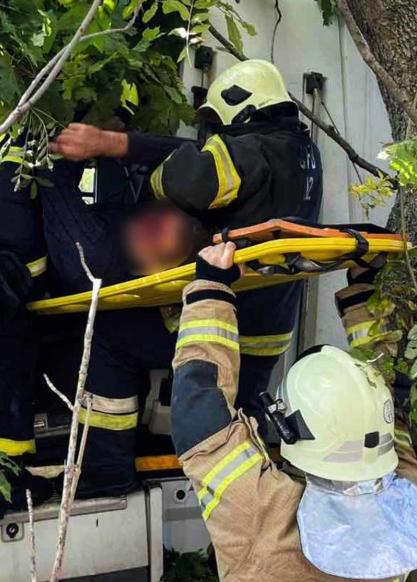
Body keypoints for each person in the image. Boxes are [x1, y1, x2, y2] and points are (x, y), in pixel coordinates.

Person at [47, 59, 324, 498]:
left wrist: (145, 172)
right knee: (239, 419)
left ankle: (107, 476)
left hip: (222, 319)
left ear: (239, 109)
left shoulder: (250, 151)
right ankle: (248, 500)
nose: (215, 137)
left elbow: (187, 177)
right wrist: (116, 143)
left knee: (107, 341)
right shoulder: (305, 154)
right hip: (266, 328)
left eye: (217, 127)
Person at [0, 123, 207, 518]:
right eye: (171, 226)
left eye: (164, 249)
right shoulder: (99, 244)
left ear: (150, 274)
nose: (157, 233)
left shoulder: (104, 247)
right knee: (0, 363)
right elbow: (10, 211)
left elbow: (16, 211)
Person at [168, 242, 417, 582]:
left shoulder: (267, 522)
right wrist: (363, 292)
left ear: (289, 429)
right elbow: (386, 399)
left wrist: (209, 288)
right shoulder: (404, 500)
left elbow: (201, 420)